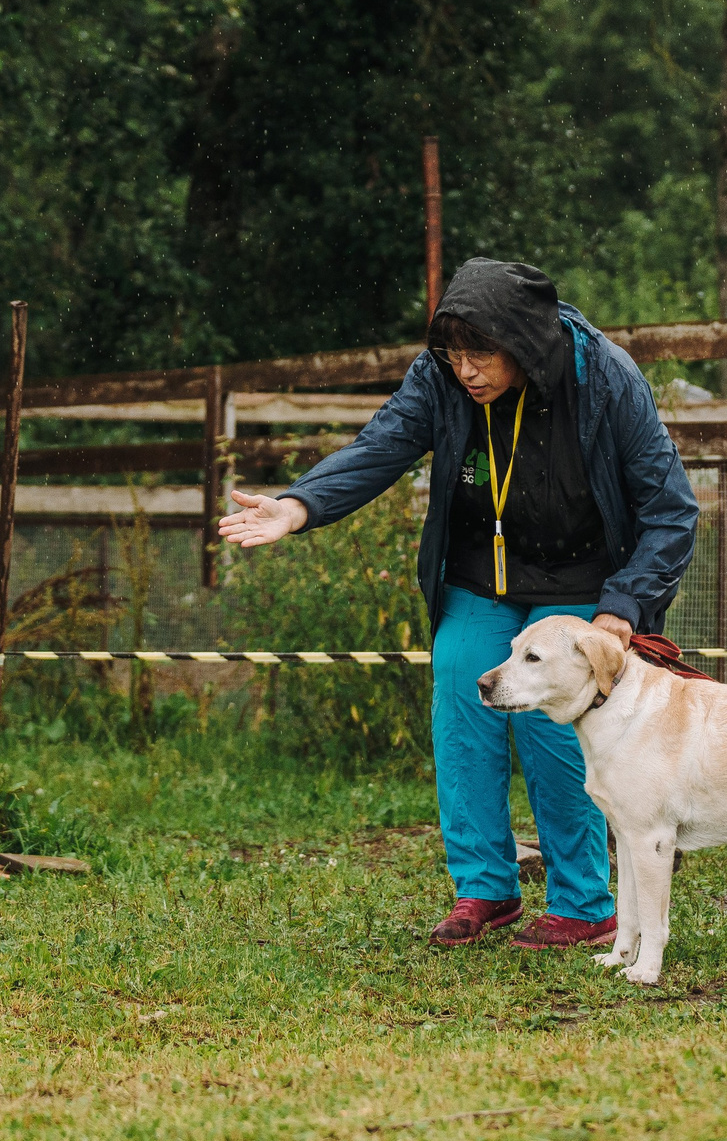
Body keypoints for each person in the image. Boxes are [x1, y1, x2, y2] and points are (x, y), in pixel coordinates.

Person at [217, 258, 699, 949]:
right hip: (479, 573)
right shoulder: (440, 378)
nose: (466, 370)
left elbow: (670, 508)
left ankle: (585, 901)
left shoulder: (605, 379)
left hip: (580, 584)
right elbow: (382, 444)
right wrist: (299, 505)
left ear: (525, 345)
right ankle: (485, 889)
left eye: (483, 354)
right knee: (461, 693)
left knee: (548, 725)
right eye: (454, 354)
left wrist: (622, 608)